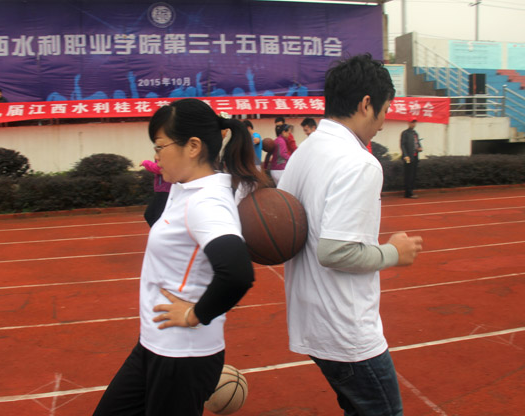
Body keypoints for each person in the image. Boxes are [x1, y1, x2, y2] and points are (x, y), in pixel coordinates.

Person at [93, 98, 268, 416]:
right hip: (154, 345)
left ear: (193, 147)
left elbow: (237, 272)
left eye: (160, 147)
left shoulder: (206, 203)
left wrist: (194, 315)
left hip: (182, 356)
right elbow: (157, 218)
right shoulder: (185, 187)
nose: (156, 155)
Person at [278, 54, 423, 416]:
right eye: (384, 110)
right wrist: (394, 252)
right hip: (346, 331)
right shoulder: (358, 162)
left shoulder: (305, 152)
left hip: (312, 320)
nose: (384, 123)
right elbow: (335, 251)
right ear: (366, 104)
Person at [140, 158, 172, 227]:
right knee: (151, 215)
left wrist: (145, 163)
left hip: (166, 190)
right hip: (162, 190)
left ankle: (163, 232)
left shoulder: (168, 154)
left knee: (154, 216)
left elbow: (160, 168)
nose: (156, 156)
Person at [400, 119, 422, 199]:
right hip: (408, 157)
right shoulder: (405, 133)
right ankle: (408, 193)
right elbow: (402, 145)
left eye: (414, 122)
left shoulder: (415, 133)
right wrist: (405, 155)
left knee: (413, 175)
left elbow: (417, 143)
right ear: (408, 123)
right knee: (408, 175)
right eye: (412, 122)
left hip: (415, 156)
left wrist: (420, 148)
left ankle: (411, 191)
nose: (413, 124)